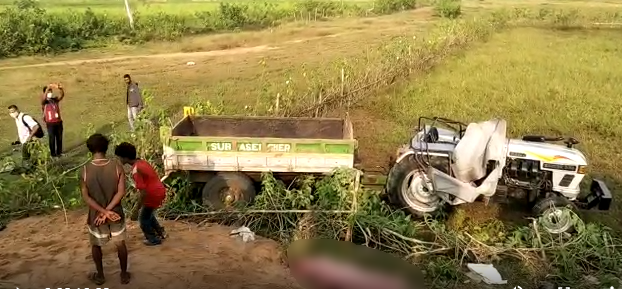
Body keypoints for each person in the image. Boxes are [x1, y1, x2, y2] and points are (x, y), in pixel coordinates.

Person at [81, 133, 131, 285]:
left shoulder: (84, 170)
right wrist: (109, 211)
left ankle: (101, 275)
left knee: (96, 245)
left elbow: (86, 197)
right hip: (116, 213)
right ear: (106, 147)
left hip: (96, 215)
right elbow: (121, 192)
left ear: (90, 149)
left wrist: (103, 212)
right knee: (120, 244)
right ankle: (123, 274)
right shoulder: (117, 166)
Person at [114, 141, 167, 246]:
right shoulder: (142, 162)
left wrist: (136, 209)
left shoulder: (136, 170)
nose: (119, 160)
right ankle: (160, 232)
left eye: (119, 157)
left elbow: (143, 193)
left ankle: (152, 239)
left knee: (143, 219)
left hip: (151, 194)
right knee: (148, 214)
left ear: (125, 158)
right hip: (159, 190)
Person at [41, 83, 65, 158]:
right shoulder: (44, 102)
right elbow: (44, 98)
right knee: (52, 138)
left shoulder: (54, 100)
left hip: (58, 122)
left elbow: (61, 96)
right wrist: (48, 87)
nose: (50, 93)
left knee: (59, 138)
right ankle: (53, 154)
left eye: (50, 91)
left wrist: (61, 89)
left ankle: (59, 153)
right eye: (48, 92)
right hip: (50, 123)